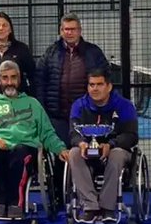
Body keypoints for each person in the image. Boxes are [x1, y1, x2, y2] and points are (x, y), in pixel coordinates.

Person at [0, 61, 69, 218]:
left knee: (20, 151)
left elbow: (47, 133)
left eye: (13, 77)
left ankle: (16, 203)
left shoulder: (33, 104)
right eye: (5, 78)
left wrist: (60, 149)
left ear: (19, 79)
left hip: (25, 150)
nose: (9, 82)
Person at [66, 67, 138, 222]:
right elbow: (73, 133)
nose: (95, 89)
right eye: (91, 85)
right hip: (88, 151)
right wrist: (81, 143)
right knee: (74, 153)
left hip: (116, 150)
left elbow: (131, 136)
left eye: (99, 84)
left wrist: (111, 144)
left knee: (117, 155)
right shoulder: (79, 105)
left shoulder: (124, 106)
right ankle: (90, 206)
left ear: (109, 86)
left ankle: (107, 207)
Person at [36, 12, 110, 145]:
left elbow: (106, 79)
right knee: (62, 153)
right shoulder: (50, 53)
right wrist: (43, 109)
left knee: (88, 151)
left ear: (79, 31)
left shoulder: (94, 52)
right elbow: (40, 82)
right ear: (61, 31)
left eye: (73, 29)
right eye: (66, 29)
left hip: (87, 115)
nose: (69, 32)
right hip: (58, 116)